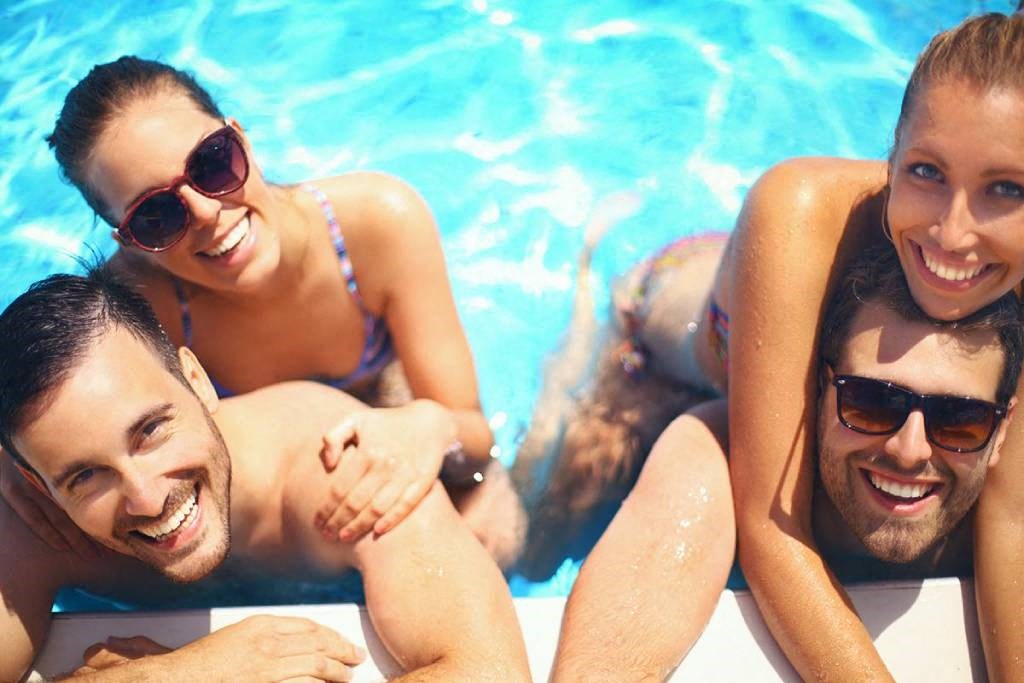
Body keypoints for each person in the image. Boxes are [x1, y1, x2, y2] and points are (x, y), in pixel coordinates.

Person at [534, 11, 1024, 681]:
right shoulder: (798, 209)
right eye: (926, 172)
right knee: (541, 529)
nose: (952, 231)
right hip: (662, 342)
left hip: (833, 377)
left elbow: (1012, 512)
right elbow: (772, 524)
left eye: (1006, 189)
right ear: (889, 159)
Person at [0, 55, 524, 567]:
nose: (207, 213)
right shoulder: (133, 303)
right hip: (278, 480)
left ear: (241, 138)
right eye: (156, 215)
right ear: (130, 243)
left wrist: (431, 424)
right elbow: (42, 384)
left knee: (497, 541)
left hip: (391, 409)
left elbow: (474, 432)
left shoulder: (377, 224)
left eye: (211, 161)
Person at [0, 269, 531, 682]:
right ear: (36, 486)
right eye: (85, 476)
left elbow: (490, 672)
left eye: (151, 431)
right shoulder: (39, 531)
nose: (147, 498)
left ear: (197, 381)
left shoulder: (343, 469)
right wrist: (179, 673)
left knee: (504, 530)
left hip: (457, 488)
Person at [548, 242, 1022, 680]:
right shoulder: (724, 447)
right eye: (871, 402)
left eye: (961, 418)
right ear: (815, 392)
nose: (910, 449)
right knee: (549, 517)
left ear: (1003, 430)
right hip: (670, 318)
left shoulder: (1005, 511)